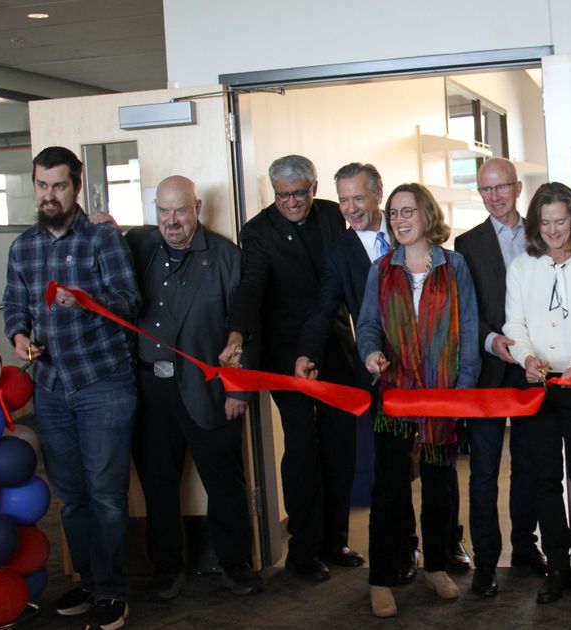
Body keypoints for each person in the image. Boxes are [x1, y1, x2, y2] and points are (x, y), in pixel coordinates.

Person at [2, 146, 140, 629]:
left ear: (76, 187)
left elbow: (128, 302)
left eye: (59, 185)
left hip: (103, 382)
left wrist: (84, 300)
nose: (49, 195)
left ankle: (111, 591)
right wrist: (19, 338)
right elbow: (14, 308)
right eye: (42, 185)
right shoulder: (22, 246)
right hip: (51, 386)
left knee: (105, 494)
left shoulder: (102, 238)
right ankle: (87, 579)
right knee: (73, 496)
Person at [222, 155, 361, 582]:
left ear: (314, 187)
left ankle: (334, 540)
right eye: (283, 196)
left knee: (340, 446)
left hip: (334, 347)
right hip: (285, 357)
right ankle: (303, 552)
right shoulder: (259, 231)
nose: (293, 202)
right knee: (301, 449)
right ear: (273, 193)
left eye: (300, 193)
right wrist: (237, 335)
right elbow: (251, 288)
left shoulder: (333, 216)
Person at [126, 176, 263, 601]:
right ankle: (167, 568)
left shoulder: (226, 256)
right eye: (164, 211)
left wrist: (239, 390)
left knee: (224, 482)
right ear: (155, 210)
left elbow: (250, 325)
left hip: (209, 391)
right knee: (158, 485)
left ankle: (235, 566)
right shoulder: (138, 246)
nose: (172, 220)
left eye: (180, 210)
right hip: (151, 391)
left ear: (197, 207)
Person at [356, 183, 480, 617]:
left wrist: (463, 391)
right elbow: (368, 325)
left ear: (427, 215)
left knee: (439, 487)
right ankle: (381, 578)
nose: (399, 220)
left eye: (407, 211)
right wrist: (370, 353)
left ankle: (435, 567)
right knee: (388, 488)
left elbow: (467, 331)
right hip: (395, 396)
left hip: (442, 396)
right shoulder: (381, 270)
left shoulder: (455, 266)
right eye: (393, 214)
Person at [295, 162, 419, 585]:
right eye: (344, 199)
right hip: (379, 372)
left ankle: (443, 545)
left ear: (378, 193)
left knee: (437, 461)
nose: (350, 208)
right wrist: (305, 354)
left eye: (358, 198)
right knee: (392, 467)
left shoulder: (411, 227)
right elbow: (323, 308)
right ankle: (402, 549)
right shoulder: (339, 252)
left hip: (428, 369)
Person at [502, 183, 571, 603]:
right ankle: (557, 568)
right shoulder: (521, 268)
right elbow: (515, 326)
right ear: (535, 224)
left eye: (560, 221)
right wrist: (527, 359)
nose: (553, 230)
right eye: (544, 223)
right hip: (537, 387)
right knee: (545, 480)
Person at [453, 156, 544, 597]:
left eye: (501, 187)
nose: (494, 197)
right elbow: (467, 313)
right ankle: (486, 562)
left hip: (532, 371)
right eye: (486, 190)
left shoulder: (543, 234)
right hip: (488, 372)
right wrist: (493, 342)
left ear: (518, 187)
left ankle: (526, 547)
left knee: (529, 463)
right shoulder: (466, 244)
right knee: (484, 470)